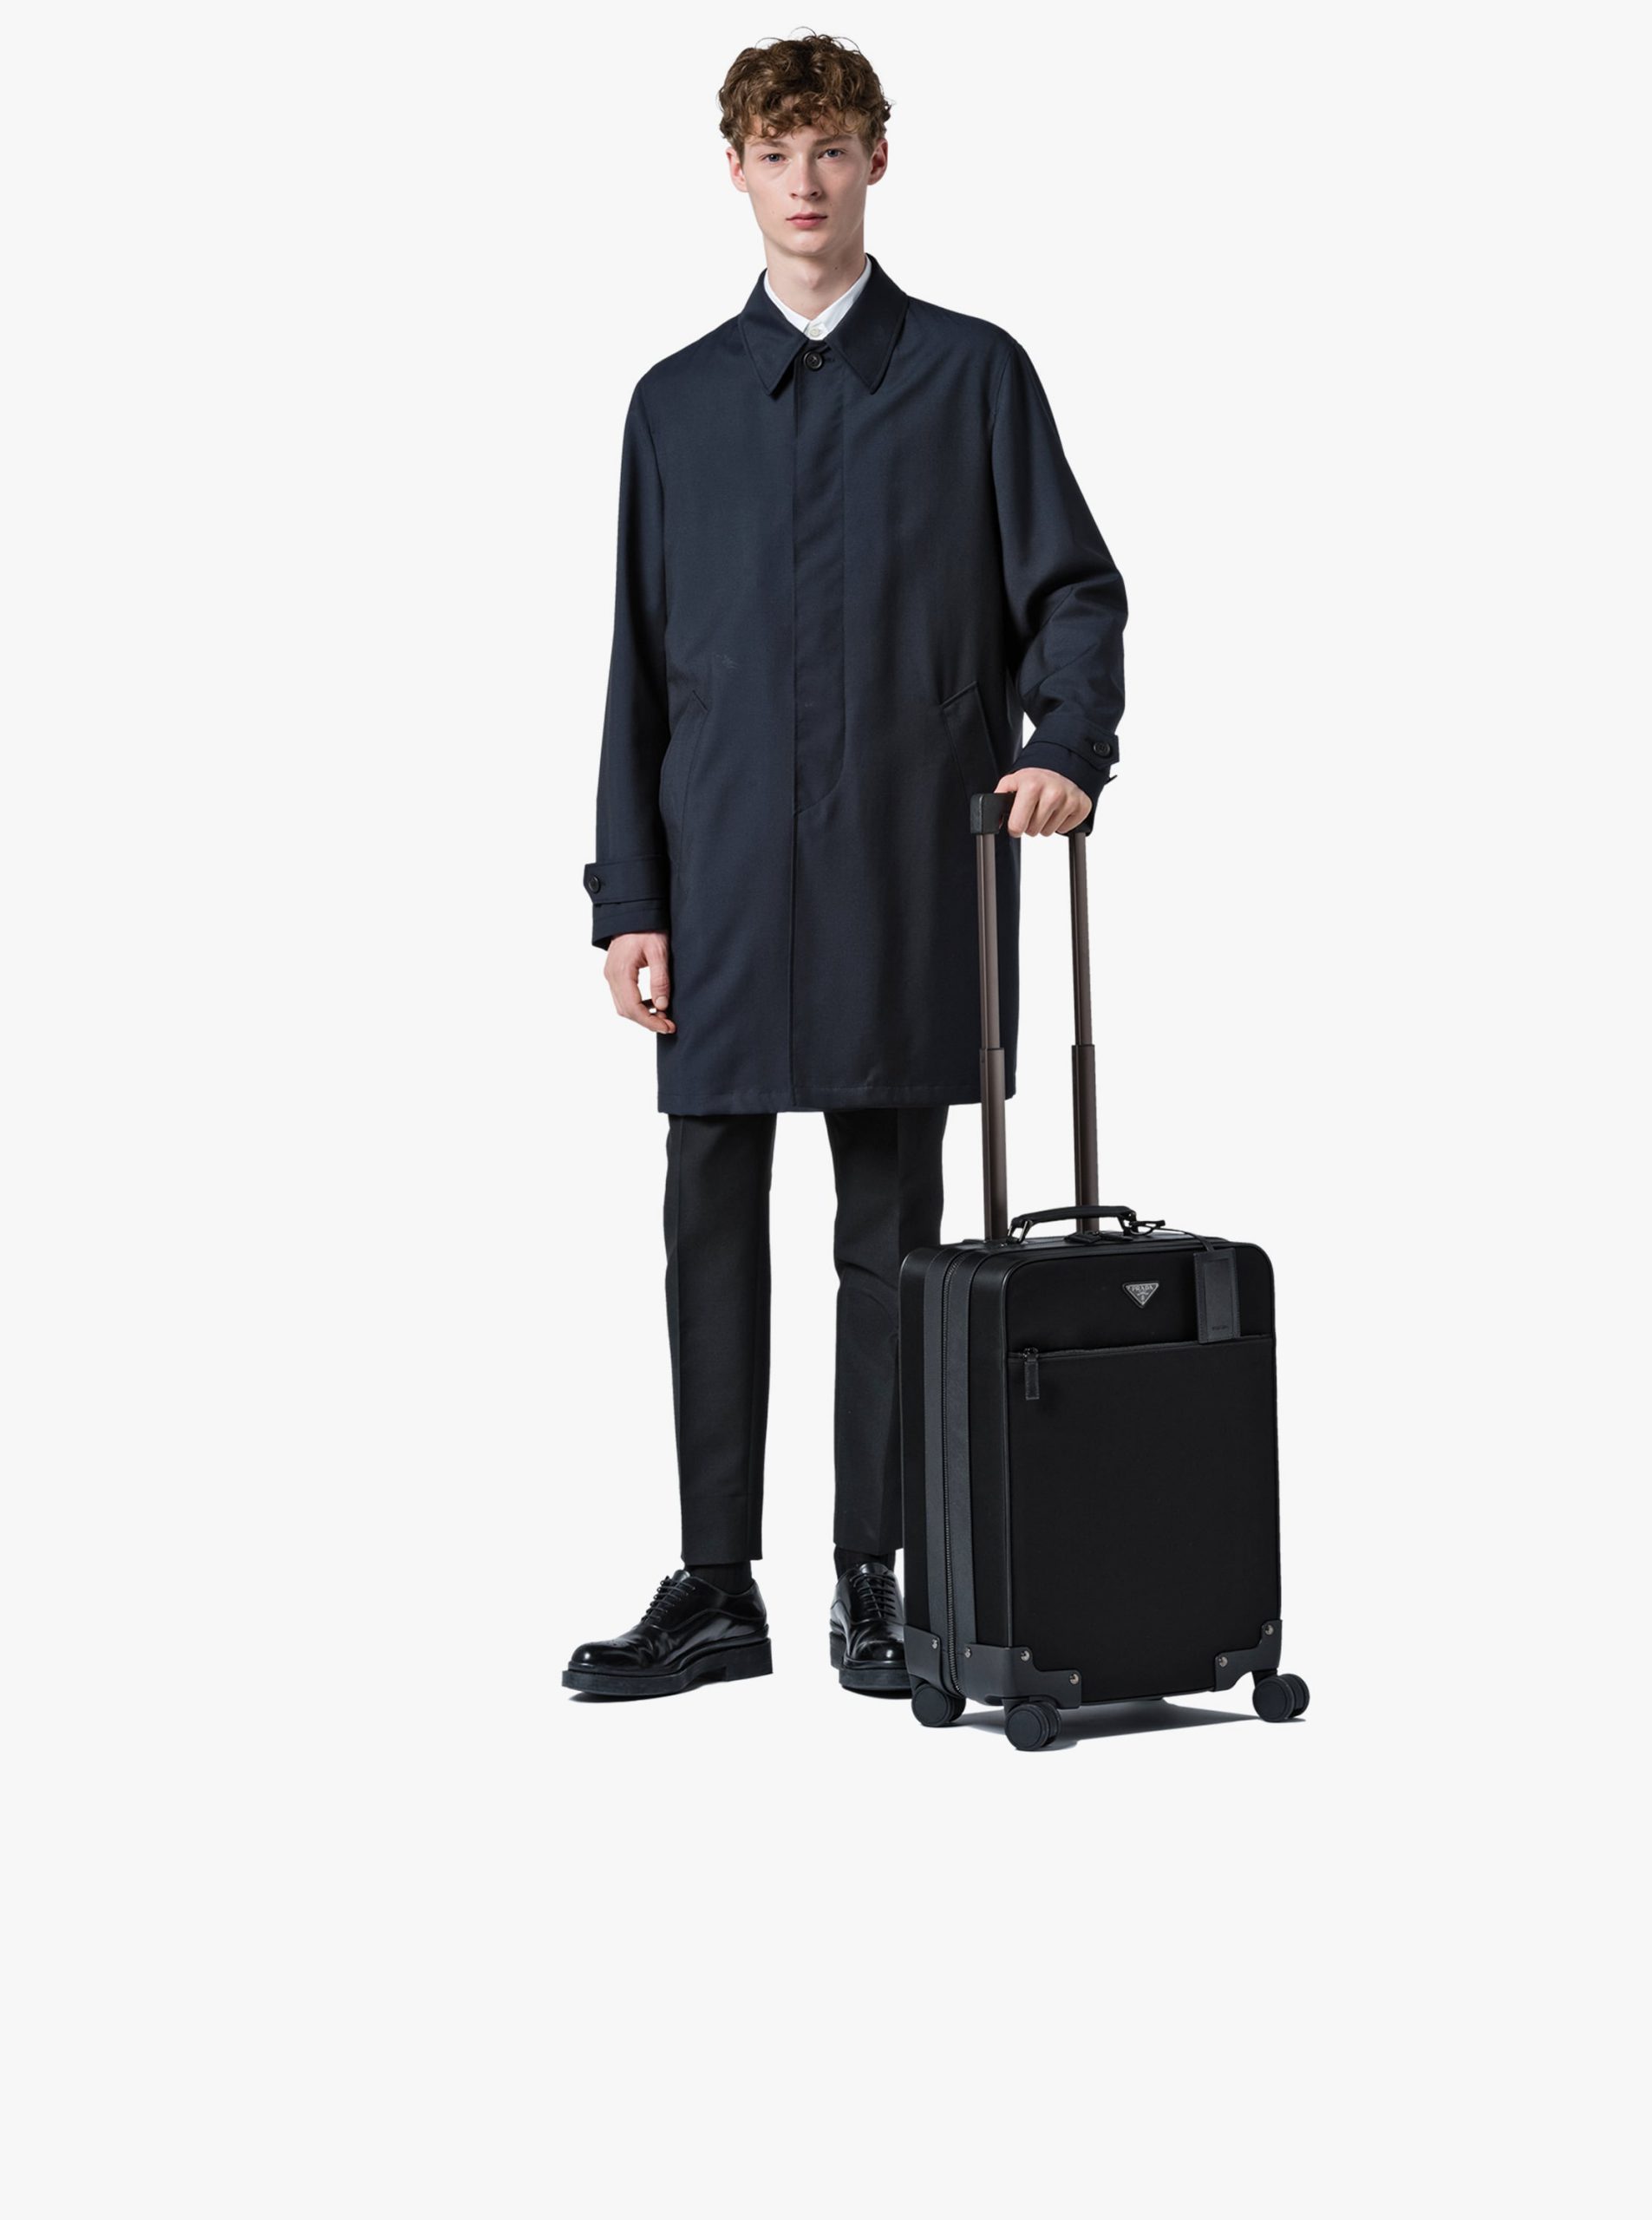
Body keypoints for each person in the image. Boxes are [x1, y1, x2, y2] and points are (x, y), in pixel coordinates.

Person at [564, 32, 1126, 1701]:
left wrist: (1062, 743)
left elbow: (1074, 591)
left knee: (891, 1229)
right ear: (733, 171)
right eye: (775, 151)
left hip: (906, 866)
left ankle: (875, 1576)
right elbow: (638, 668)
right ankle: (715, 1583)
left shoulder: (972, 376)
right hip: (725, 879)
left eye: (831, 148)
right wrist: (630, 899)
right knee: (708, 1221)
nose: (804, 182)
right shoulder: (675, 406)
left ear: (880, 160)